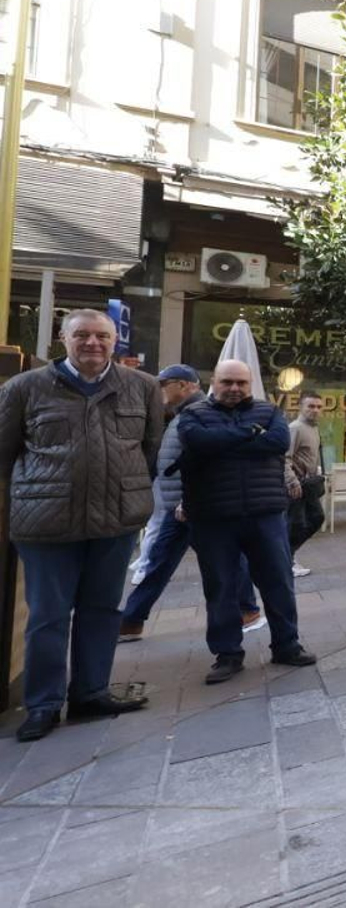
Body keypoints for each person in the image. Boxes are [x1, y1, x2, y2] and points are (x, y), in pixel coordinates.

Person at [0, 310, 159, 741]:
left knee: (103, 611)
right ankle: (43, 705)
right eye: (83, 335)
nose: (93, 343)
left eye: (102, 336)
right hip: (48, 524)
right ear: (63, 338)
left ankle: (91, 693)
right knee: (48, 616)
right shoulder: (23, 388)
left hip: (115, 522)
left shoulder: (143, 388)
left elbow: (149, 451)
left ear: (114, 341)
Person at [176, 359, 318, 684]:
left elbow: (277, 443)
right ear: (215, 382)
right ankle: (227, 654)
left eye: (241, 383)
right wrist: (248, 437)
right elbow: (198, 443)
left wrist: (223, 443)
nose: (235, 388)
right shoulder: (194, 414)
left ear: (250, 384)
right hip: (214, 517)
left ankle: (287, 645)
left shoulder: (269, 413)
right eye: (228, 382)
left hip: (265, 513)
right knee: (221, 587)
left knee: (279, 582)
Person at [120, 365, 263, 642]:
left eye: (166, 384)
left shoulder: (199, 414)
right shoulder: (183, 413)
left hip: (193, 505)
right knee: (163, 561)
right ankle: (132, 619)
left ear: (186, 385)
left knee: (226, 559)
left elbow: (204, 459)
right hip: (183, 506)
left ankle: (247, 610)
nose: (160, 390)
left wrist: (189, 500)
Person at [285, 389, 326, 577]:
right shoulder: (295, 428)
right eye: (311, 406)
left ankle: (286, 556)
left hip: (308, 485)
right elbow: (284, 458)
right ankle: (286, 560)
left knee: (316, 518)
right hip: (297, 485)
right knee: (296, 524)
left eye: (318, 407)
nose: (315, 410)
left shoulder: (314, 428)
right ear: (301, 407)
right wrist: (292, 482)